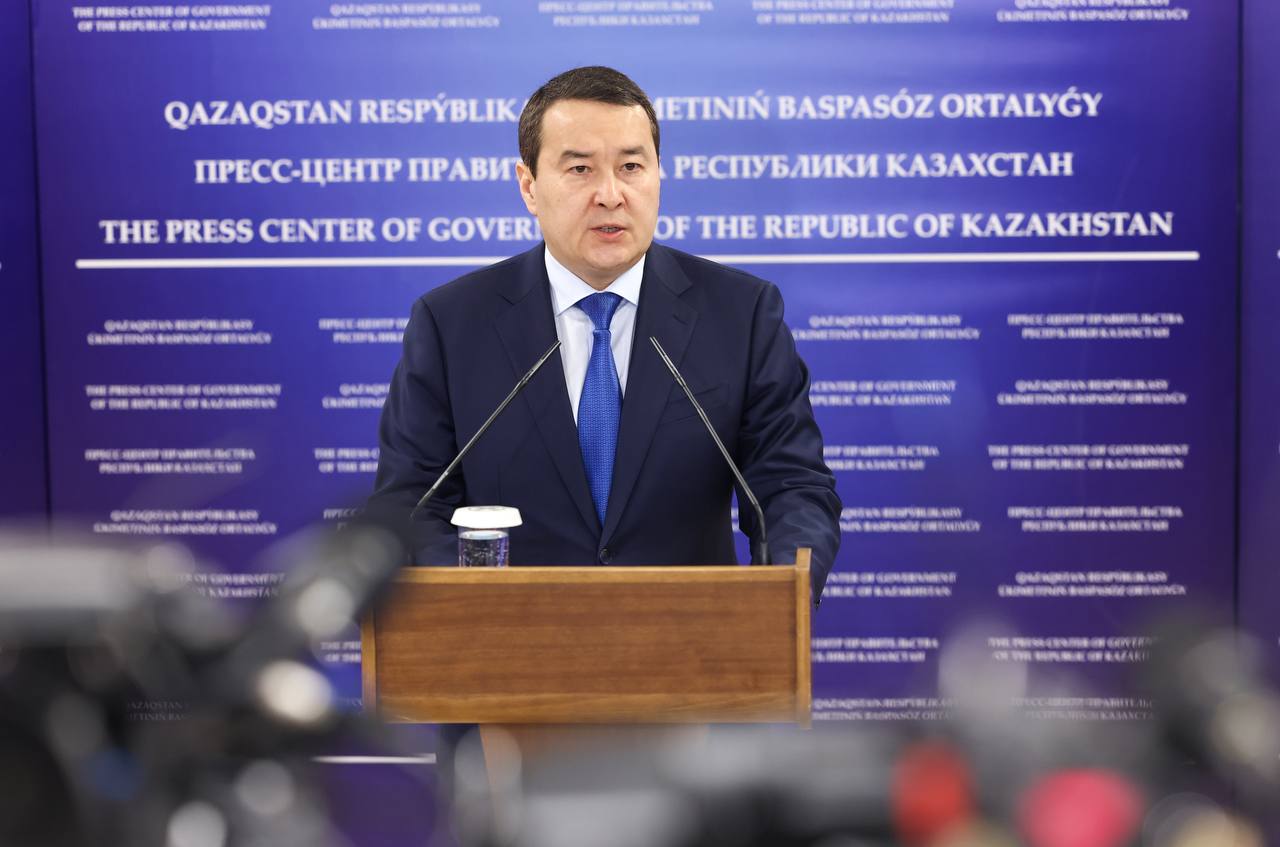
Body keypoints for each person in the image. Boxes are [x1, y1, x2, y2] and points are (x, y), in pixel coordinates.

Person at [370, 66, 841, 601]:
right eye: (580, 169)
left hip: (691, 637)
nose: (611, 195)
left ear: (658, 174)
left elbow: (790, 486)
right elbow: (412, 504)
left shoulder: (741, 314)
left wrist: (780, 593)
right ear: (528, 186)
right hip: (510, 637)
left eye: (631, 166)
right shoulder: (452, 323)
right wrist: (466, 609)